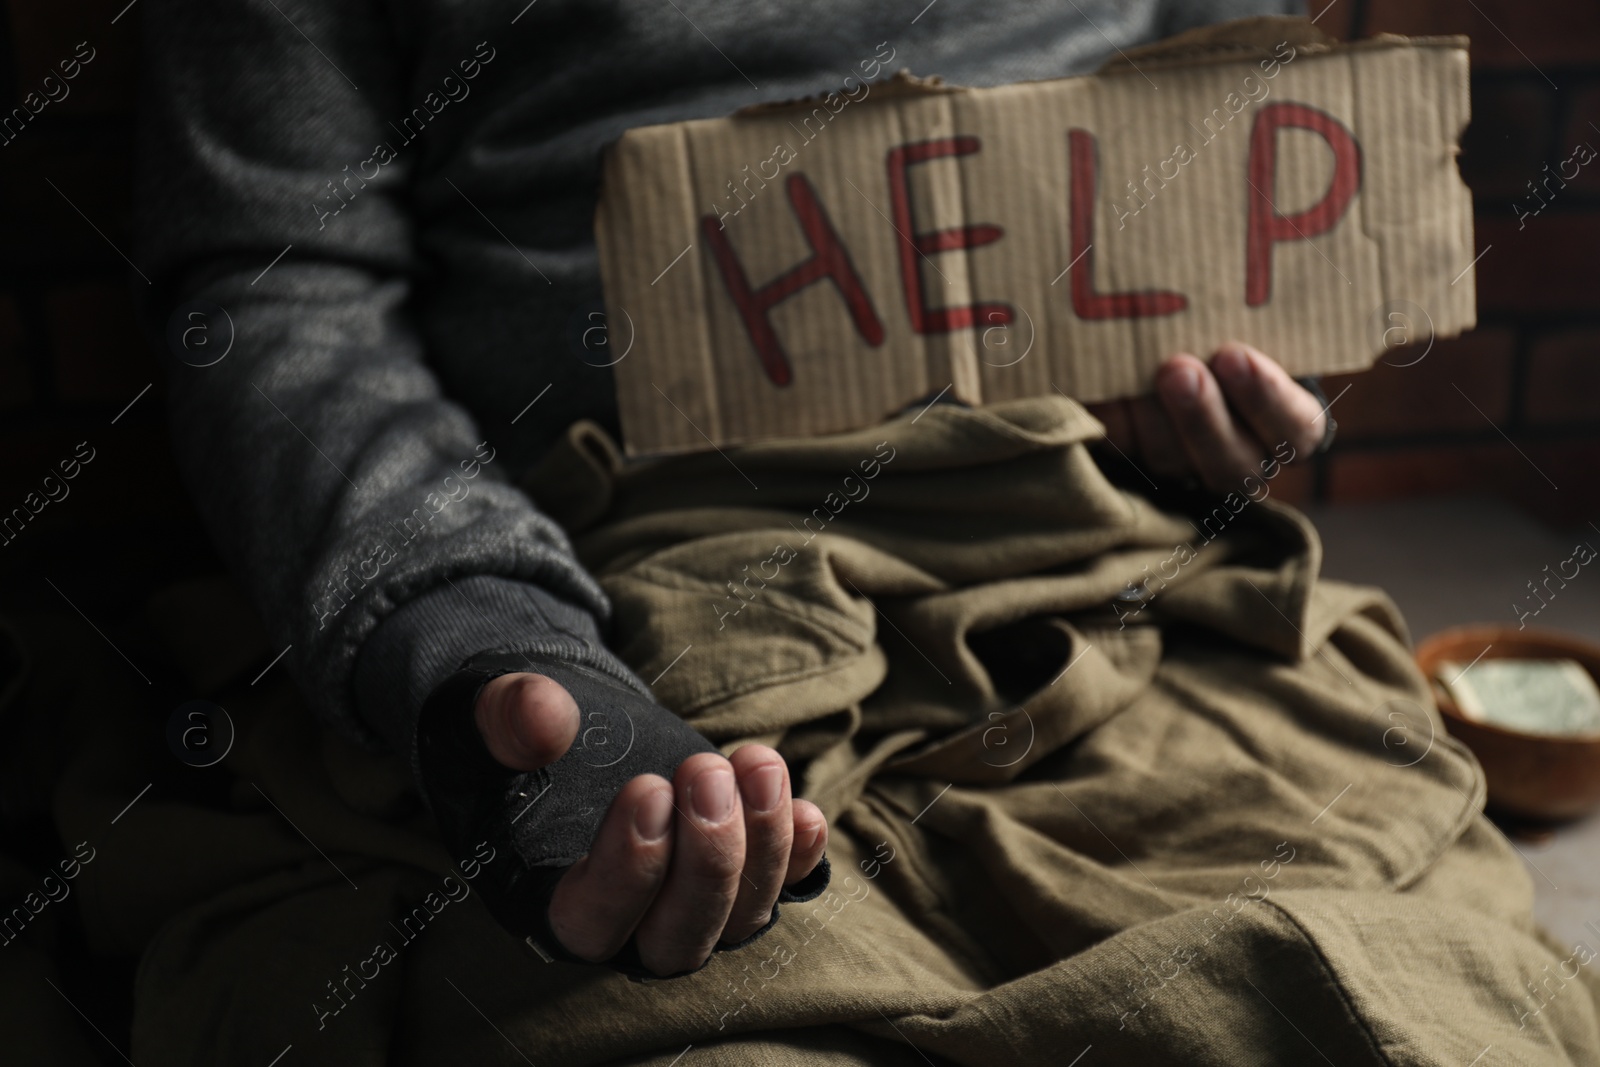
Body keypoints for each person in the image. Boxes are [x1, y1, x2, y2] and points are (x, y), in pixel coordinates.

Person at [136, 0, 1315, 983]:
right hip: (589, 581)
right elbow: (278, 283)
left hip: (1095, 572)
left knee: (1335, 985)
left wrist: (1230, 410)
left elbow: (1232, 155)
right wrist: (469, 622)